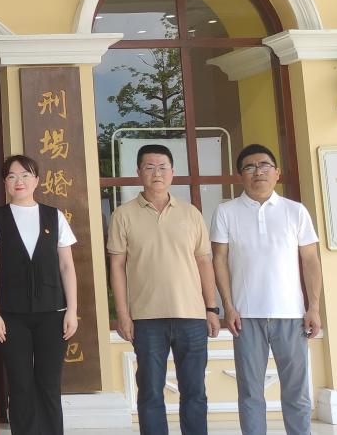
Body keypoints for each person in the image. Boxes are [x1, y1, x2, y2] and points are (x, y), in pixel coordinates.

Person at [107, 144, 220, 435]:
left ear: (172, 172)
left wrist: (211, 308)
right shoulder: (123, 215)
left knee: (195, 392)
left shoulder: (191, 213)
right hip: (146, 318)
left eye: (162, 167)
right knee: (150, 393)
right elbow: (117, 266)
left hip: (192, 316)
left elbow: (204, 262)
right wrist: (123, 314)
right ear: (138, 172)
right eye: (149, 167)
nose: (156, 173)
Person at [211, 144, 322, 435]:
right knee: (250, 393)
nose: (257, 171)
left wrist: (313, 307)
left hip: (291, 315)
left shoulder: (295, 211)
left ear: (277, 173)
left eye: (264, 165)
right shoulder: (226, 212)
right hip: (245, 317)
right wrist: (228, 306)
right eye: (249, 167)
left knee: (297, 392)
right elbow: (219, 259)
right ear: (240, 175)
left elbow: (310, 260)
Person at [0, 154, 78, 435]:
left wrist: (71, 310)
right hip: (11, 316)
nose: (18, 181)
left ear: (36, 180)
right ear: (5, 183)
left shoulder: (54, 216)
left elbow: (67, 267)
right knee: (20, 384)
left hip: (53, 314)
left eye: (25, 175)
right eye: (11, 176)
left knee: (49, 383)